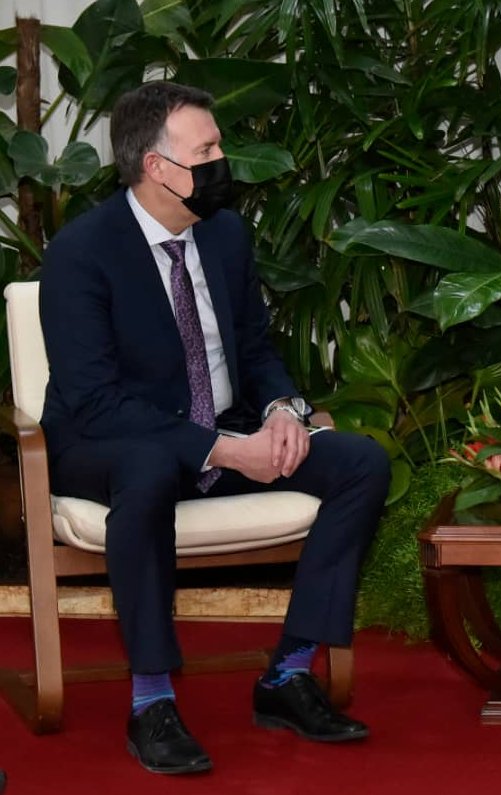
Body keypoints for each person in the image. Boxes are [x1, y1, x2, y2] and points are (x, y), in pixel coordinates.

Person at [39, 81, 392, 775]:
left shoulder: (225, 233)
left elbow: (255, 349)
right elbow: (96, 399)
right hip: (108, 443)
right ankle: (151, 700)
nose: (223, 159)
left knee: (361, 462)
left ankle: (287, 675)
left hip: (223, 432)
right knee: (146, 467)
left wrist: (282, 412)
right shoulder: (82, 252)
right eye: (207, 149)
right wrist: (224, 447)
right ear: (156, 167)